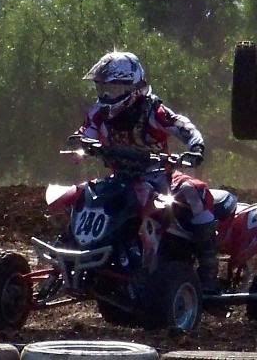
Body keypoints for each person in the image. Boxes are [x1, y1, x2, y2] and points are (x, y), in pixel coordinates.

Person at [74, 51, 220, 293]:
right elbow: (86, 134)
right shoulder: (99, 113)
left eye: (113, 89)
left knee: (194, 191)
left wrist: (196, 147)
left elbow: (183, 125)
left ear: (133, 87)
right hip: (121, 178)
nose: (106, 95)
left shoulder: (152, 111)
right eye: (102, 89)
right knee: (83, 195)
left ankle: (208, 272)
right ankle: (77, 253)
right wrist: (82, 144)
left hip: (158, 176)